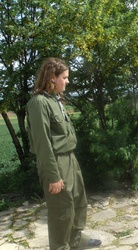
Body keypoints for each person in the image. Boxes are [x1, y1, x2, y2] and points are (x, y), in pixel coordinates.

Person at [26, 57, 102, 249]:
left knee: (78, 202)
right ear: (53, 77)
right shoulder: (39, 103)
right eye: (65, 77)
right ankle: (60, 246)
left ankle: (75, 241)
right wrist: (53, 176)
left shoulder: (55, 100)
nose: (67, 81)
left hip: (70, 159)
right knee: (62, 211)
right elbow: (43, 143)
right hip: (56, 162)